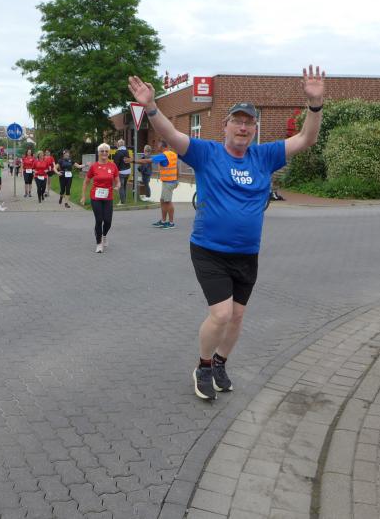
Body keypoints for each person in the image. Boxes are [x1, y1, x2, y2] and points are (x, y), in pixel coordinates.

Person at [128, 65, 325, 400]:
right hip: (209, 250)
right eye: (237, 121)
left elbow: (306, 138)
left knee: (237, 317)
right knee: (221, 314)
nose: (243, 127)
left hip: (247, 253)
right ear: (225, 126)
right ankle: (203, 366)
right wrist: (151, 107)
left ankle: (220, 363)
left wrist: (315, 105)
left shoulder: (264, 156)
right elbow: (173, 136)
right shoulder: (208, 153)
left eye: (249, 122)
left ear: (254, 129)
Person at [80, 142, 119, 253]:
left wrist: (118, 186)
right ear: (98, 153)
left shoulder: (113, 166)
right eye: (102, 151)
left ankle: (104, 235)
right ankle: (99, 243)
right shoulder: (94, 166)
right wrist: (83, 196)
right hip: (96, 197)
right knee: (99, 220)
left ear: (109, 153)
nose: (104, 153)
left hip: (108, 197)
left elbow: (117, 180)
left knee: (108, 221)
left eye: (106, 151)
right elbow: (86, 182)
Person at [144, 140, 179, 229]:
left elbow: (148, 160)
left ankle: (171, 223)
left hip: (169, 182)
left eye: (158, 146)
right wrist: (177, 179)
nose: (157, 147)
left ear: (163, 146)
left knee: (167, 201)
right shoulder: (173, 154)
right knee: (163, 200)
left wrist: (133, 160)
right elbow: (177, 167)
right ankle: (163, 221)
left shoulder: (164, 155)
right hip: (170, 180)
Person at [113, 139, 132, 205]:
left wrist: (114, 172)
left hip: (121, 172)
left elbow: (116, 163)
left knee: (121, 187)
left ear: (118, 144)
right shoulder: (126, 151)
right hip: (128, 170)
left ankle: (122, 202)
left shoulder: (118, 152)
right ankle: (124, 200)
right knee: (124, 186)